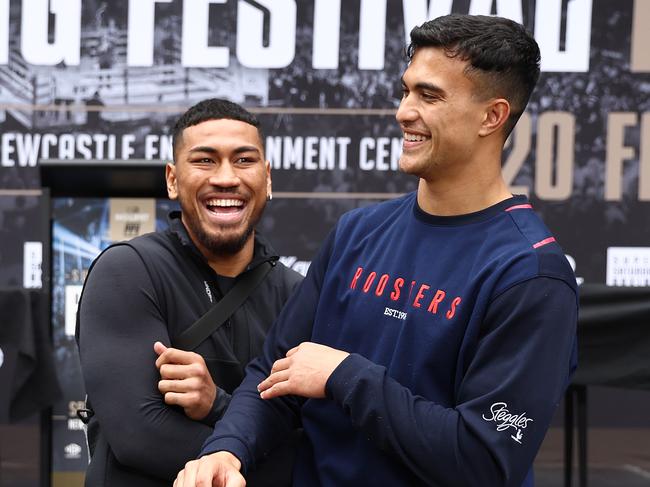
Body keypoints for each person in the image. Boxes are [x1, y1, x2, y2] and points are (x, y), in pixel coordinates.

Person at [175, 14, 578, 487]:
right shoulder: (358, 231)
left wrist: (346, 376)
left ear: (492, 116)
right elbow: (274, 373)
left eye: (429, 96)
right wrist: (229, 449)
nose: (404, 111)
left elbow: (483, 460)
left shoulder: (531, 273)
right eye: (406, 91)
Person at [76, 98, 302, 487]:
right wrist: (275, 464)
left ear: (267, 178)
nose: (226, 178)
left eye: (244, 160)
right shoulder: (128, 270)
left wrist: (217, 404)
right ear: (172, 179)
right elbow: (140, 435)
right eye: (205, 160)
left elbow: (315, 439)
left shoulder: (297, 295)